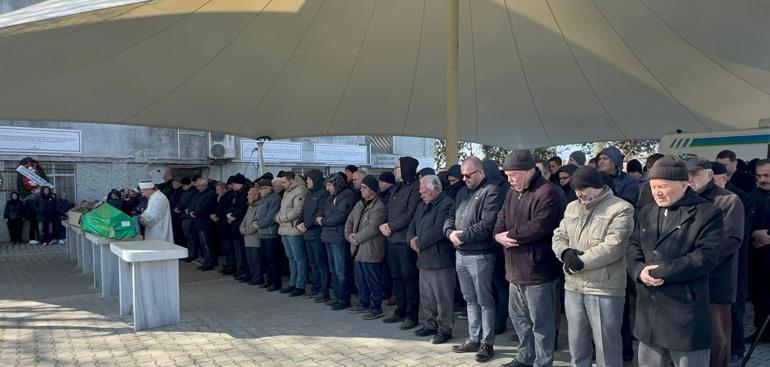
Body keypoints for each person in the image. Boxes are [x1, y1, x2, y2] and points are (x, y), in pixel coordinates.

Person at [626, 155, 722, 367]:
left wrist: (659, 272)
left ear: (683, 184)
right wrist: (639, 271)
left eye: (663, 186)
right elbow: (632, 246)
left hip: (685, 315)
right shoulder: (646, 212)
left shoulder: (707, 213)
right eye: (653, 186)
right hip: (649, 315)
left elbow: (704, 258)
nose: (657, 192)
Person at [551, 166, 635, 367]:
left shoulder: (621, 208)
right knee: (578, 344)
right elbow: (559, 235)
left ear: (599, 186)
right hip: (573, 286)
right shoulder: (572, 207)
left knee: (607, 345)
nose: (580, 193)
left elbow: (614, 246)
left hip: (604, 288)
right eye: (576, 189)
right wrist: (565, 253)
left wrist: (580, 261)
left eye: (584, 188)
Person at [494, 150, 563, 367]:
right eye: (507, 175)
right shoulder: (512, 192)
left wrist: (510, 236)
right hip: (514, 268)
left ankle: (543, 362)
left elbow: (539, 227)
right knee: (519, 320)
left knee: (541, 323)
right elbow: (501, 216)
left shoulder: (547, 192)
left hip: (538, 269)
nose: (509, 179)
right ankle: (524, 357)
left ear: (528, 170)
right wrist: (497, 235)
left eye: (513, 174)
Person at [685, 157, 744, 366]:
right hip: (688, 280)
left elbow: (731, 241)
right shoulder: (685, 201)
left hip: (718, 281)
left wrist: (693, 258)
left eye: (694, 175)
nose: (689, 180)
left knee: (717, 340)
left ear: (709, 176)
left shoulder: (729, 200)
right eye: (687, 175)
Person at [445, 156, 504, 363]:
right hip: (461, 254)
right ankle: (473, 337)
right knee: (470, 299)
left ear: (480, 172)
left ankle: (487, 342)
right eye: (463, 175)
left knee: (484, 300)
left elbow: (487, 225)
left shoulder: (492, 191)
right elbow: (450, 217)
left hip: (481, 255)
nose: (465, 178)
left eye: (468, 175)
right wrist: (449, 232)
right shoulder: (461, 192)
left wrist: (460, 236)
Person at [408, 175, 456, 344]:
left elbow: (438, 230)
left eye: (425, 192)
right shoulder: (422, 205)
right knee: (427, 296)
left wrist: (419, 243)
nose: (422, 195)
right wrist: (411, 239)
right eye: (421, 192)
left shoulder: (447, 204)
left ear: (435, 189)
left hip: (440, 259)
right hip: (424, 258)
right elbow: (412, 225)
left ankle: (445, 329)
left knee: (443, 298)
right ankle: (430, 324)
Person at [380, 156, 422, 330]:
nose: (394, 170)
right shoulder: (397, 188)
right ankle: (400, 310)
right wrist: (383, 224)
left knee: (409, 278)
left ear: (406, 169)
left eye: (397, 167)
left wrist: (391, 226)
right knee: (396, 277)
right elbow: (388, 210)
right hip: (391, 239)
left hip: (404, 241)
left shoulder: (415, 188)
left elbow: (410, 213)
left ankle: (412, 315)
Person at [346, 175, 388, 320]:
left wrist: (355, 238)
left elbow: (372, 228)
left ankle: (376, 308)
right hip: (358, 249)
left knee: (373, 281)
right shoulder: (359, 204)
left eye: (365, 188)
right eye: (362, 187)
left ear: (373, 190)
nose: (361, 190)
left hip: (371, 249)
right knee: (361, 280)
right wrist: (349, 236)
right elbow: (349, 221)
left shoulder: (379, 207)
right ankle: (363, 303)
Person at [319, 173, 357, 310]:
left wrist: (323, 221)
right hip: (328, 235)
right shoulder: (332, 196)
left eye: (330, 185)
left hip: (338, 236)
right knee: (333, 269)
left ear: (336, 184)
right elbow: (326, 211)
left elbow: (340, 216)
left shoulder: (346, 195)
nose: (328, 188)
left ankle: (343, 299)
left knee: (341, 270)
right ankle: (337, 296)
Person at [297, 169, 330, 302]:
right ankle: (315, 288)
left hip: (316, 233)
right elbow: (303, 211)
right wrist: (299, 222)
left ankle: (324, 290)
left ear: (315, 180)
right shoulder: (310, 194)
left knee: (321, 263)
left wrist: (306, 225)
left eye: (309, 179)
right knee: (313, 263)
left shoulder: (323, 194)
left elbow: (320, 212)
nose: (307, 182)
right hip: (307, 234)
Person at [748, 159, 770, 343]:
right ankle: (761, 332)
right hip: (758, 259)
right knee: (760, 298)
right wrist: (754, 233)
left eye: (767, 175)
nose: (762, 179)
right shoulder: (752, 196)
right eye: (759, 176)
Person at [276, 172, 309, 297]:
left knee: (299, 258)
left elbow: (297, 210)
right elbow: (282, 208)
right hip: (284, 228)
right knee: (290, 258)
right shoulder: (287, 191)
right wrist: (277, 216)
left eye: (284, 182)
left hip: (294, 230)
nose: (282, 185)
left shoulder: (300, 190)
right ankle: (292, 283)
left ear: (291, 180)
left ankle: (300, 285)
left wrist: (282, 218)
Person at [254, 180, 282, 291]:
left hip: (271, 233)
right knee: (265, 259)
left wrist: (259, 224)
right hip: (263, 233)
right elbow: (258, 214)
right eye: (260, 189)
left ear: (270, 188)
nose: (261, 191)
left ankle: (276, 283)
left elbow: (271, 218)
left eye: (263, 188)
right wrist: (256, 221)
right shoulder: (263, 199)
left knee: (273, 260)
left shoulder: (275, 199)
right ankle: (269, 281)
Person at [187, 177, 217, 270]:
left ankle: (210, 261)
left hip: (204, 221)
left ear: (205, 185)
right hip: (197, 221)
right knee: (202, 243)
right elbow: (192, 204)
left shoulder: (210, 194)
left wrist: (195, 213)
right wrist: (190, 211)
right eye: (197, 186)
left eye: (200, 186)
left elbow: (205, 206)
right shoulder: (197, 194)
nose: (198, 188)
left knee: (207, 243)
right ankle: (206, 260)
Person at [228, 174, 250, 281]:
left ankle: (245, 271)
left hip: (240, 224)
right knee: (238, 250)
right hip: (235, 224)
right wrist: (229, 215)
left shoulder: (244, 194)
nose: (233, 186)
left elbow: (242, 209)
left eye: (235, 184)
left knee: (242, 250)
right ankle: (240, 270)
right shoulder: (236, 194)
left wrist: (232, 215)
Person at [240, 186, 264, 285]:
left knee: (256, 260)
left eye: (250, 194)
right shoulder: (250, 206)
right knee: (250, 260)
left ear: (256, 195)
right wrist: (242, 229)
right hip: (247, 238)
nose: (247, 196)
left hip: (255, 238)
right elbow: (244, 221)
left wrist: (245, 231)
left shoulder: (259, 206)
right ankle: (253, 276)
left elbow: (256, 223)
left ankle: (258, 278)